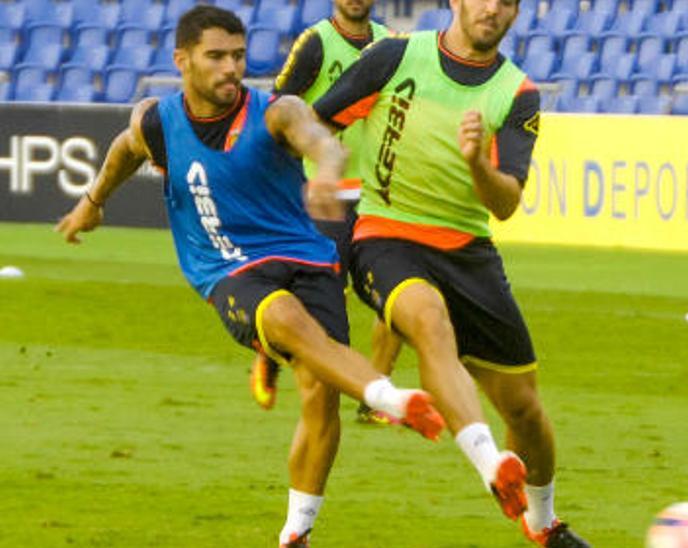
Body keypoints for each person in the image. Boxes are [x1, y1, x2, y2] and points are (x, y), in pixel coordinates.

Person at [53, 7, 445, 547]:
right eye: (216, 57)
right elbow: (124, 149)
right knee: (285, 319)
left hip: (308, 256)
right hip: (228, 270)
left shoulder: (275, 112)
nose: (230, 68)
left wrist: (328, 173)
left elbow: (322, 140)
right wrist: (92, 203)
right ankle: (391, 399)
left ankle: (296, 532)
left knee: (320, 393)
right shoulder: (156, 120)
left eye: (238, 56)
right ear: (182, 60)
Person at [311, 0, 589, 545]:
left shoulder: (517, 94)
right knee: (429, 321)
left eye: (507, 2)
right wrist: (324, 166)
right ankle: (490, 464)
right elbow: (314, 120)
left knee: (525, 410)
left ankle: (543, 524)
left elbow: (505, 202)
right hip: (385, 235)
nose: (493, 9)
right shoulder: (392, 57)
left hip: (468, 251)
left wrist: (477, 165)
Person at [271, 0, 403, 425]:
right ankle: (276, 354)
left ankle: (375, 397)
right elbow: (278, 109)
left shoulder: (391, 45)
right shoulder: (315, 43)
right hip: (323, 193)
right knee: (322, 303)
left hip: (379, 196)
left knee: (399, 297)